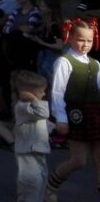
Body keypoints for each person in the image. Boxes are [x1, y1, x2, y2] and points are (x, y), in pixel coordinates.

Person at [46, 18, 100, 199]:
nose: (85, 44)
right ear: (70, 38)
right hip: (75, 114)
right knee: (79, 161)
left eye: (89, 40)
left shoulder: (95, 64)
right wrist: (61, 118)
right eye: (81, 39)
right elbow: (57, 92)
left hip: (95, 113)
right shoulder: (64, 61)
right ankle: (51, 186)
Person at [11, 70, 52, 202]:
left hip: (38, 150)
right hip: (27, 152)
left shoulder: (32, 108)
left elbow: (43, 122)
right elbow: (44, 113)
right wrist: (34, 99)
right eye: (41, 91)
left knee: (41, 180)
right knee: (30, 183)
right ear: (29, 93)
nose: (44, 94)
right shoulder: (22, 107)